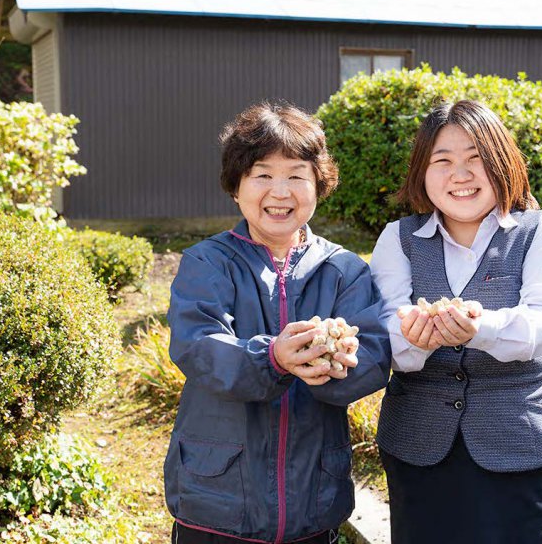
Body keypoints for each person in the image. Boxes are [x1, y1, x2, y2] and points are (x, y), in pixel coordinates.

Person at [164, 101, 390, 544]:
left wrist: (341, 361)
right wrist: (273, 357)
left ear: (318, 185)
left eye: (296, 175)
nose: (280, 191)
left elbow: (374, 353)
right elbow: (198, 345)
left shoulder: (344, 269)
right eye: (263, 174)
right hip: (217, 497)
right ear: (236, 186)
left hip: (313, 499)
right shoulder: (208, 262)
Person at [369, 100, 542, 544]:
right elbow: (381, 328)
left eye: (476, 160)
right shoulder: (398, 239)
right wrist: (413, 337)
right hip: (418, 445)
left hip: (518, 444)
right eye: (443, 161)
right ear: (422, 172)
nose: (461, 175)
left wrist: (480, 327)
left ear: (502, 163)